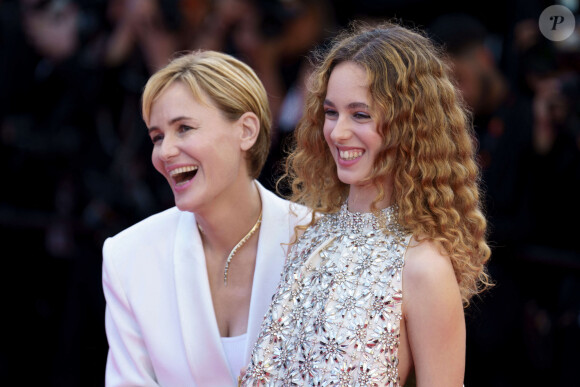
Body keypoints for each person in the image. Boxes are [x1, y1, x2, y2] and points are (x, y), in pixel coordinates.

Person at [241, 21, 491, 386]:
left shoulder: (423, 268)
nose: (338, 132)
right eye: (330, 112)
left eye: (360, 114)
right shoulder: (310, 237)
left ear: (410, 125)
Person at [102, 50, 309, 386]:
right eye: (157, 137)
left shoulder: (319, 241)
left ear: (246, 131)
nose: (165, 152)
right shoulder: (128, 256)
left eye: (183, 128)